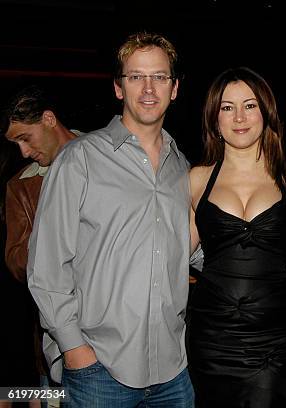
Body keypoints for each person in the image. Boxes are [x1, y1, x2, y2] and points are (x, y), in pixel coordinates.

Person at [27, 32, 194, 407]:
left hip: (172, 370)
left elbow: (192, 248)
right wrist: (74, 349)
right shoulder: (79, 159)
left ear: (175, 88)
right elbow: (47, 266)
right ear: (119, 88)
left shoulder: (181, 168)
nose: (148, 89)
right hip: (99, 370)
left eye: (160, 77)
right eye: (136, 76)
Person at [187, 67, 286, 407]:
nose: (239, 117)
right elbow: (171, 254)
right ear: (214, 118)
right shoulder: (196, 179)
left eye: (249, 105)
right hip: (211, 337)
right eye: (227, 107)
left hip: (274, 338)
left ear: (265, 113)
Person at [2, 85, 80, 407]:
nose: (22, 151)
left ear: (48, 119)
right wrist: (51, 236)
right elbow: (16, 261)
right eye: (15, 143)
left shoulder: (109, 154)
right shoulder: (22, 186)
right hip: (58, 342)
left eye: (25, 138)